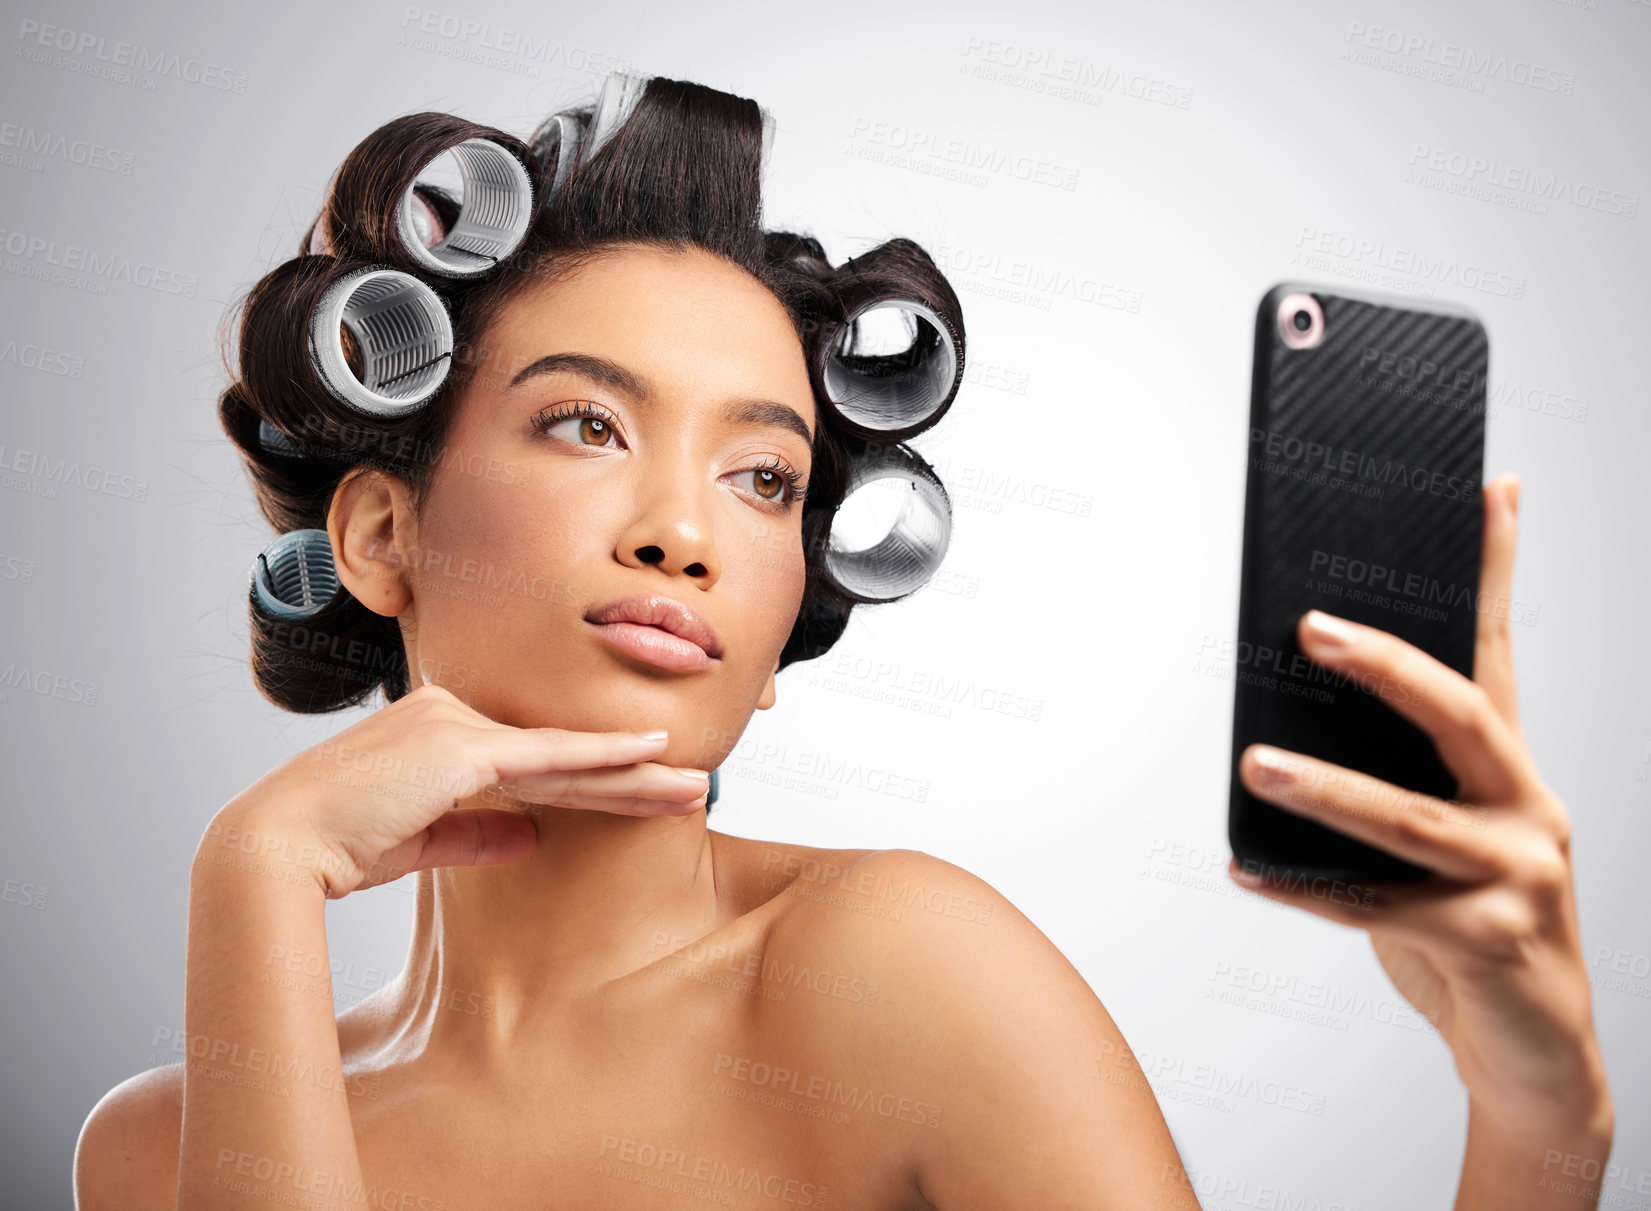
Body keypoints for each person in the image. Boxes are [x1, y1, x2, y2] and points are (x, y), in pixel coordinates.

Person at [72, 75, 1613, 1210]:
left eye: (763, 477)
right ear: (379, 535)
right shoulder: (154, 1155)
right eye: (586, 423)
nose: (685, 531)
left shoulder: (896, 973)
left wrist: (1542, 1127)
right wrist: (256, 873)